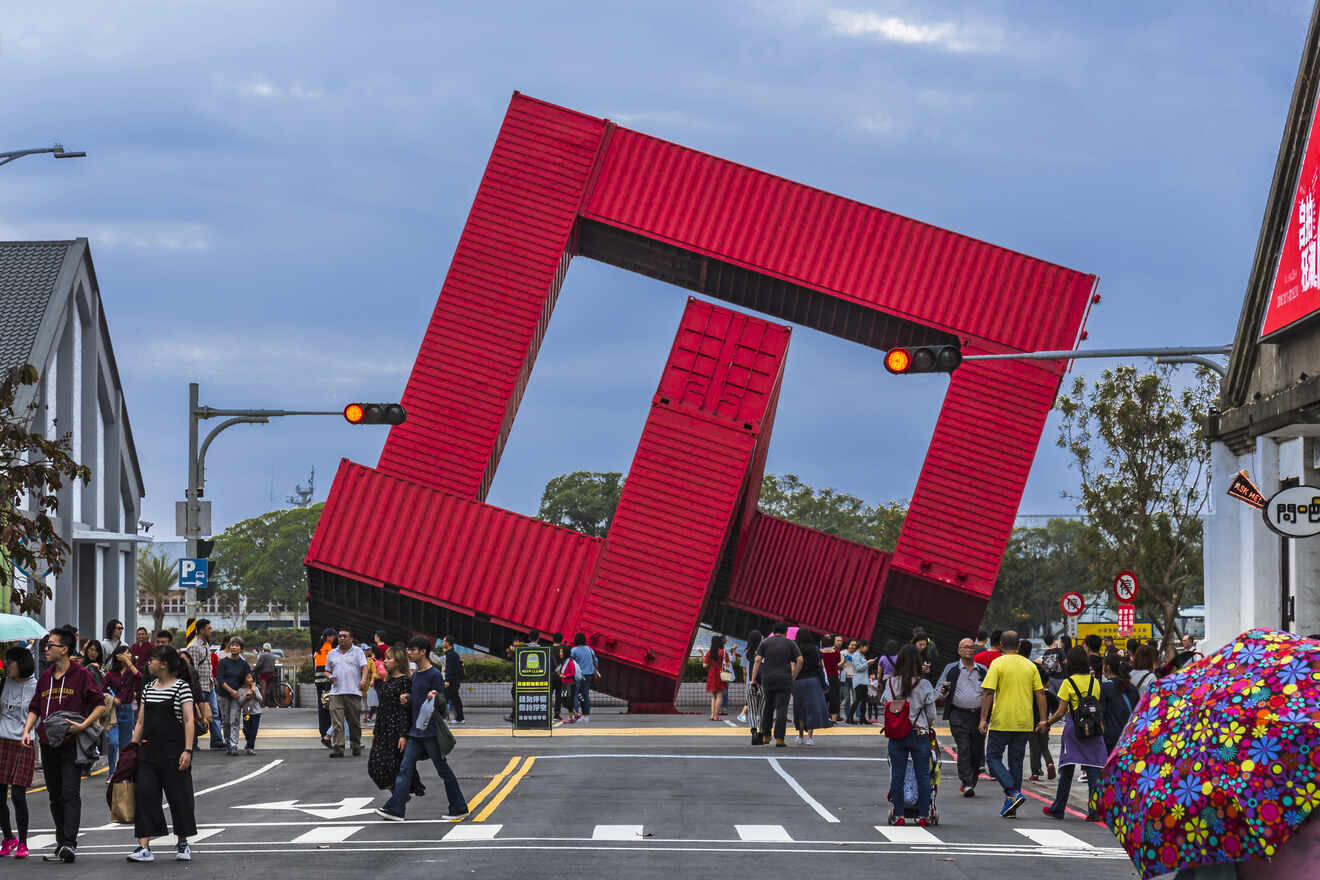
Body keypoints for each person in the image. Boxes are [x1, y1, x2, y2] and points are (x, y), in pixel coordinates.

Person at [20, 628, 106, 862]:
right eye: (46, 646)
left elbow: (100, 703)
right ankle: (61, 843)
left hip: (71, 742)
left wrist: (83, 725)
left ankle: (70, 844)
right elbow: (36, 707)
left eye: (51, 645)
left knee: (70, 792)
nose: (46, 649)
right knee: (55, 795)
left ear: (64, 649)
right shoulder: (46, 677)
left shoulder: (81, 675)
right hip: (48, 742)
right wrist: (27, 730)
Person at [376, 636, 468, 822]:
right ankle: (396, 809)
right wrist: (408, 699)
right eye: (408, 650)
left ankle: (459, 807)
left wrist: (435, 696)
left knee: (443, 770)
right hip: (415, 732)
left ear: (423, 652)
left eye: (412, 649)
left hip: (431, 733)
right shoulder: (416, 675)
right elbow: (416, 703)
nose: (409, 652)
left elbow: (442, 703)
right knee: (405, 768)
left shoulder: (433, 675)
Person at [125, 645, 196, 862]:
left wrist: (188, 750)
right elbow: (140, 722)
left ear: (163, 664)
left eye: (152, 660)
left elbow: (188, 719)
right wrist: (131, 750)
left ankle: (183, 843)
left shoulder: (181, 687)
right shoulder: (147, 688)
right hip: (147, 753)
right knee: (145, 796)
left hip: (174, 753)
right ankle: (144, 847)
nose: (149, 664)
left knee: (179, 798)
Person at [978, 630, 1046, 819]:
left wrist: (983, 719)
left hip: (1001, 720)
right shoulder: (1029, 665)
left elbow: (988, 693)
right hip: (1024, 722)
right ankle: (1012, 805)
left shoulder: (997, 663)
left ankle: (1012, 792)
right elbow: (1040, 693)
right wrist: (1042, 719)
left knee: (992, 758)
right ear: (1018, 645)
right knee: (1016, 762)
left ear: (1000, 644)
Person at [1039, 647, 1107, 821]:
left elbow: (1061, 711)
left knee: (1067, 770)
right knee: (1093, 770)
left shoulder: (1068, 683)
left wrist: (1047, 723)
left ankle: (1058, 808)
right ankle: (1094, 812)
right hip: (1093, 730)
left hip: (1073, 729)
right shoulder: (1095, 682)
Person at [884, 645, 937, 826]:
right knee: (922, 774)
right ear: (918, 663)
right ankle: (923, 814)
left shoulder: (891, 682)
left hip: (897, 734)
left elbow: (886, 703)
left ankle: (899, 815)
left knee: (897, 775)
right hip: (919, 733)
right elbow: (931, 714)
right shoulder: (925, 684)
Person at [368, 646, 424, 796]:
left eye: (389, 658)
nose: (385, 661)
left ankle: (397, 799)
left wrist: (403, 735)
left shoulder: (405, 681)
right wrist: (375, 731)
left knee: (394, 766)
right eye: (385, 658)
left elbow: (405, 710)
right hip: (383, 729)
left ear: (398, 662)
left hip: (395, 729)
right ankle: (398, 795)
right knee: (375, 766)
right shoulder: (387, 681)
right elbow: (382, 707)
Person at [0, 646, 37, 858]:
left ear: (21, 663)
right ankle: (8, 838)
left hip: (24, 742)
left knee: (18, 795)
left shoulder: (37, 686)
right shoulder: (3, 683)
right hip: (2, 740)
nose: (7, 665)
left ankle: (23, 842)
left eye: (10, 662)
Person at [939, 638, 987, 797]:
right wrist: (943, 691)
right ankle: (967, 783)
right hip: (958, 715)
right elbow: (940, 690)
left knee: (977, 751)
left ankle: (970, 781)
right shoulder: (951, 669)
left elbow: (989, 693)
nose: (969, 650)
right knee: (964, 748)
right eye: (965, 647)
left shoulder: (982, 670)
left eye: (972, 647)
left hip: (979, 716)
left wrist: (985, 717)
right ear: (959, 650)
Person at [750, 622, 802, 747]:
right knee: (781, 709)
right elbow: (800, 660)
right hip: (784, 679)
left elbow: (757, 660)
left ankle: (766, 736)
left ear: (774, 631)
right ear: (785, 632)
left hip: (767, 679)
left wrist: (753, 679)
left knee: (767, 708)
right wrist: (794, 675)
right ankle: (779, 739)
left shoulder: (765, 642)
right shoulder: (790, 643)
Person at [325, 629, 369, 758]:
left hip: (353, 691)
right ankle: (338, 747)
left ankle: (356, 745)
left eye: (345, 636)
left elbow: (364, 667)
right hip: (336, 693)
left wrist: (363, 680)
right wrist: (329, 677)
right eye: (339, 637)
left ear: (351, 639)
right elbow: (327, 670)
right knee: (337, 722)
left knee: (354, 722)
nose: (342, 639)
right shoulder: (332, 653)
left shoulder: (358, 652)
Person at [1018, 639, 1057, 781]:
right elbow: (1057, 709)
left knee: (1034, 747)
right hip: (1044, 721)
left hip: (1030, 720)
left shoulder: (1030, 692)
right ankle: (1050, 763)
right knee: (1044, 745)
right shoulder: (1037, 669)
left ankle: (1035, 772)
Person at [184, 620, 223, 750]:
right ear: (201, 630)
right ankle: (193, 742)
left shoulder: (205, 644)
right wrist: (194, 688)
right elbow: (192, 669)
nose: (211, 631)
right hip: (199, 686)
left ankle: (217, 740)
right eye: (209, 628)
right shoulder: (194, 647)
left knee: (214, 714)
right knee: (195, 715)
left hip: (209, 685)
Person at [104, 646, 142, 776]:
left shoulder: (132, 671)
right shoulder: (110, 674)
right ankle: (111, 772)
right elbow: (102, 691)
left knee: (126, 745)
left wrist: (129, 662)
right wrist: (112, 699)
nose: (129, 655)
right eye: (125, 653)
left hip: (127, 710)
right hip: (113, 711)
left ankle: (123, 773)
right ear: (118, 656)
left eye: (130, 654)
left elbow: (139, 677)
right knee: (113, 742)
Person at [791, 628, 828, 744]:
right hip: (813, 681)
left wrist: (792, 679)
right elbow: (820, 667)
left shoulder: (795, 649)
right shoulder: (815, 649)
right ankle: (810, 738)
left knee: (800, 709)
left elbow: (792, 667)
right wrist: (824, 684)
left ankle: (800, 736)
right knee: (812, 709)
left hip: (799, 681)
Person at [215, 637, 251, 756]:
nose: (234, 647)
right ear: (229, 647)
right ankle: (228, 743)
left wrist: (249, 691)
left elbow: (249, 678)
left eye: (237, 645)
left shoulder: (244, 664)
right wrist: (230, 691)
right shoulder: (223, 662)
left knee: (234, 720)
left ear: (241, 648)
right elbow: (220, 678)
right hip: (224, 694)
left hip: (237, 696)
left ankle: (234, 745)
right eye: (232, 645)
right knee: (225, 721)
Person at [1099, 653, 1140, 753]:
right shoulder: (1132, 687)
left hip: (1112, 740)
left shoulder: (1105, 688)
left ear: (1107, 667)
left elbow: (1100, 716)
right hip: (1130, 737)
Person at [567, 633, 597, 724]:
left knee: (575, 695)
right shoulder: (590, 650)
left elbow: (569, 661)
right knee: (585, 695)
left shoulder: (574, 650)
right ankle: (586, 716)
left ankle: (576, 715)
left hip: (578, 676)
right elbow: (595, 661)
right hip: (588, 675)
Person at [740, 629, 764, 744]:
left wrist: (747, 683)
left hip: (750, 684)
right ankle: (762, 733)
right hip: (763, 684)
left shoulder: (746, 652)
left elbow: (744, 671)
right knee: (762, 709)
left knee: (752, 710)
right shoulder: (763, 651)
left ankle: (754, 732)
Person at [843, 639, 874, 724]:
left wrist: (868, 664)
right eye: (866, 647)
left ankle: (862, 718)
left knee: (864, 700)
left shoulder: (861, 655)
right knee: (858, 700)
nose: (867, 649)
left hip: (863, 681)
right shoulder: (856, 655)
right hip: (859, 681)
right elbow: (858, 668)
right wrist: (867, 663)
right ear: (861, 647)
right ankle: (849, 718)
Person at [313, 628, 335, 747]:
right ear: (328, 637)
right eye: (333, 636)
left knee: (322, 708)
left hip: (319, 682)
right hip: (326, 683)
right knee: (328, 709)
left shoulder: (318, 649)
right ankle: (326, 734)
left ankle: (324, 732)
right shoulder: (328, 649)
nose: (335, 638)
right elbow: (327, 668)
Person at [703, 635, 729, 721]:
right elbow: (728, 664)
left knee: (714, 696)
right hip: (720, 675)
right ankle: (716, 716)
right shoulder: (723, 652)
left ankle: (712, 715)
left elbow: (704, 665)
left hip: (711, 675)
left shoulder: (709, 653)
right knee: (719, 696)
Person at [440, 636, 464, 724]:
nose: (442, 643)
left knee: (443, 699)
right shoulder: (453, 654)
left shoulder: (450, 655)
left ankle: (445, 718)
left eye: (443, 641)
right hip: (454, 681)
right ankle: (459, 718)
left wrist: (447, 680)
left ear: (448, 643)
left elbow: (450, 669)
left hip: (451, 682)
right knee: (455, 699)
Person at [238, 673, 262, 754]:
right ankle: (249, 743)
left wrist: (254, 692)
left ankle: (250, 747)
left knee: (253, 731)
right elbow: (240, 702)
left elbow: (260, 699)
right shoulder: (241, 690)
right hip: (247, 713)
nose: (250, 679)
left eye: (251, 678)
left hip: (256, 713)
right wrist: (246, 697)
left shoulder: (255, 689)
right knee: (246, 729)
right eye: (248, 678)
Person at [820, 634, 843, 721]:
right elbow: (838, 664)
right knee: (834, 698)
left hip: (823, 677)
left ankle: (823, 717)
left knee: (823, 697)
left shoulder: (820, 653)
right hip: (834, 677)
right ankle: (833, 719)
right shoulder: (836, 653)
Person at [549, 633, 568, 721]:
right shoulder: (564, 649)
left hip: (550, 675)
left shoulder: (548, 649)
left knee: (548, 694)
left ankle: (547, 713)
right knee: (558, 695)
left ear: (553, 639)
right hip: (560, 675)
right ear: (561, 639)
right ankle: (557, 714)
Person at [252, 643, 277, 707]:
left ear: (263, 648)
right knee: (269, 689)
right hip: (271, 673)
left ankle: (262, 704)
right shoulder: (273, 655)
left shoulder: (262, 655)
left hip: (264, 674)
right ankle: (269, 703)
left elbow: (259, 665)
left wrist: (253, 670)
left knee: (263, 689)